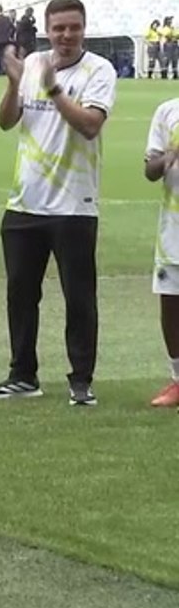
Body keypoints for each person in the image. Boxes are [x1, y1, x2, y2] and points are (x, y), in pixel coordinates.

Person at [0, 0, 115, 406]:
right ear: (47, 28)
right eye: (58, 28)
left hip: (74, 203)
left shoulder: (98, 70)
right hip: (26, 200)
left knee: (79, 296)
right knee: (21, 293)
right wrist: (12, 83)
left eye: (73, 27)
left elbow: (90, 125)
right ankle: (23, 375)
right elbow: (6, 121)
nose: (66, 35)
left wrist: (53, 87)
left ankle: (81, 381)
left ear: (84, 28)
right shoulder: (35, 62)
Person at [144, 98, 179, 408]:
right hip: (174, 229)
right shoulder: (168, 111)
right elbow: (150, 171)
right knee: (171, 305)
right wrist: (167, 158)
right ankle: (178, 379)